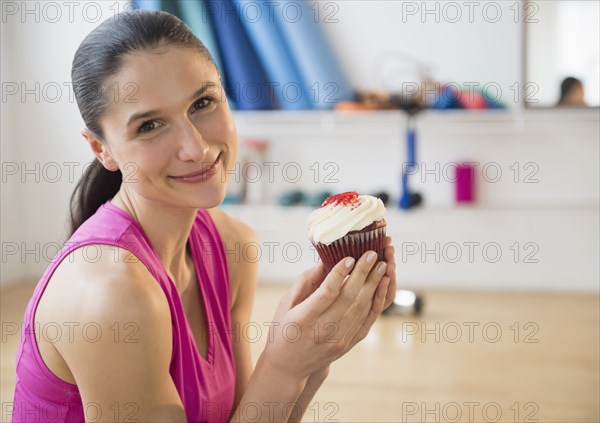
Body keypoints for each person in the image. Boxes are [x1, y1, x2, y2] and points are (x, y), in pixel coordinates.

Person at [10, 10, 396, 423]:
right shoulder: (110, 297)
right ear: (102, 149)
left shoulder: (232, 246)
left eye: (203, 102)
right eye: (151, 125)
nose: (195, 147)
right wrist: (282, 366)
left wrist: (315, 353)